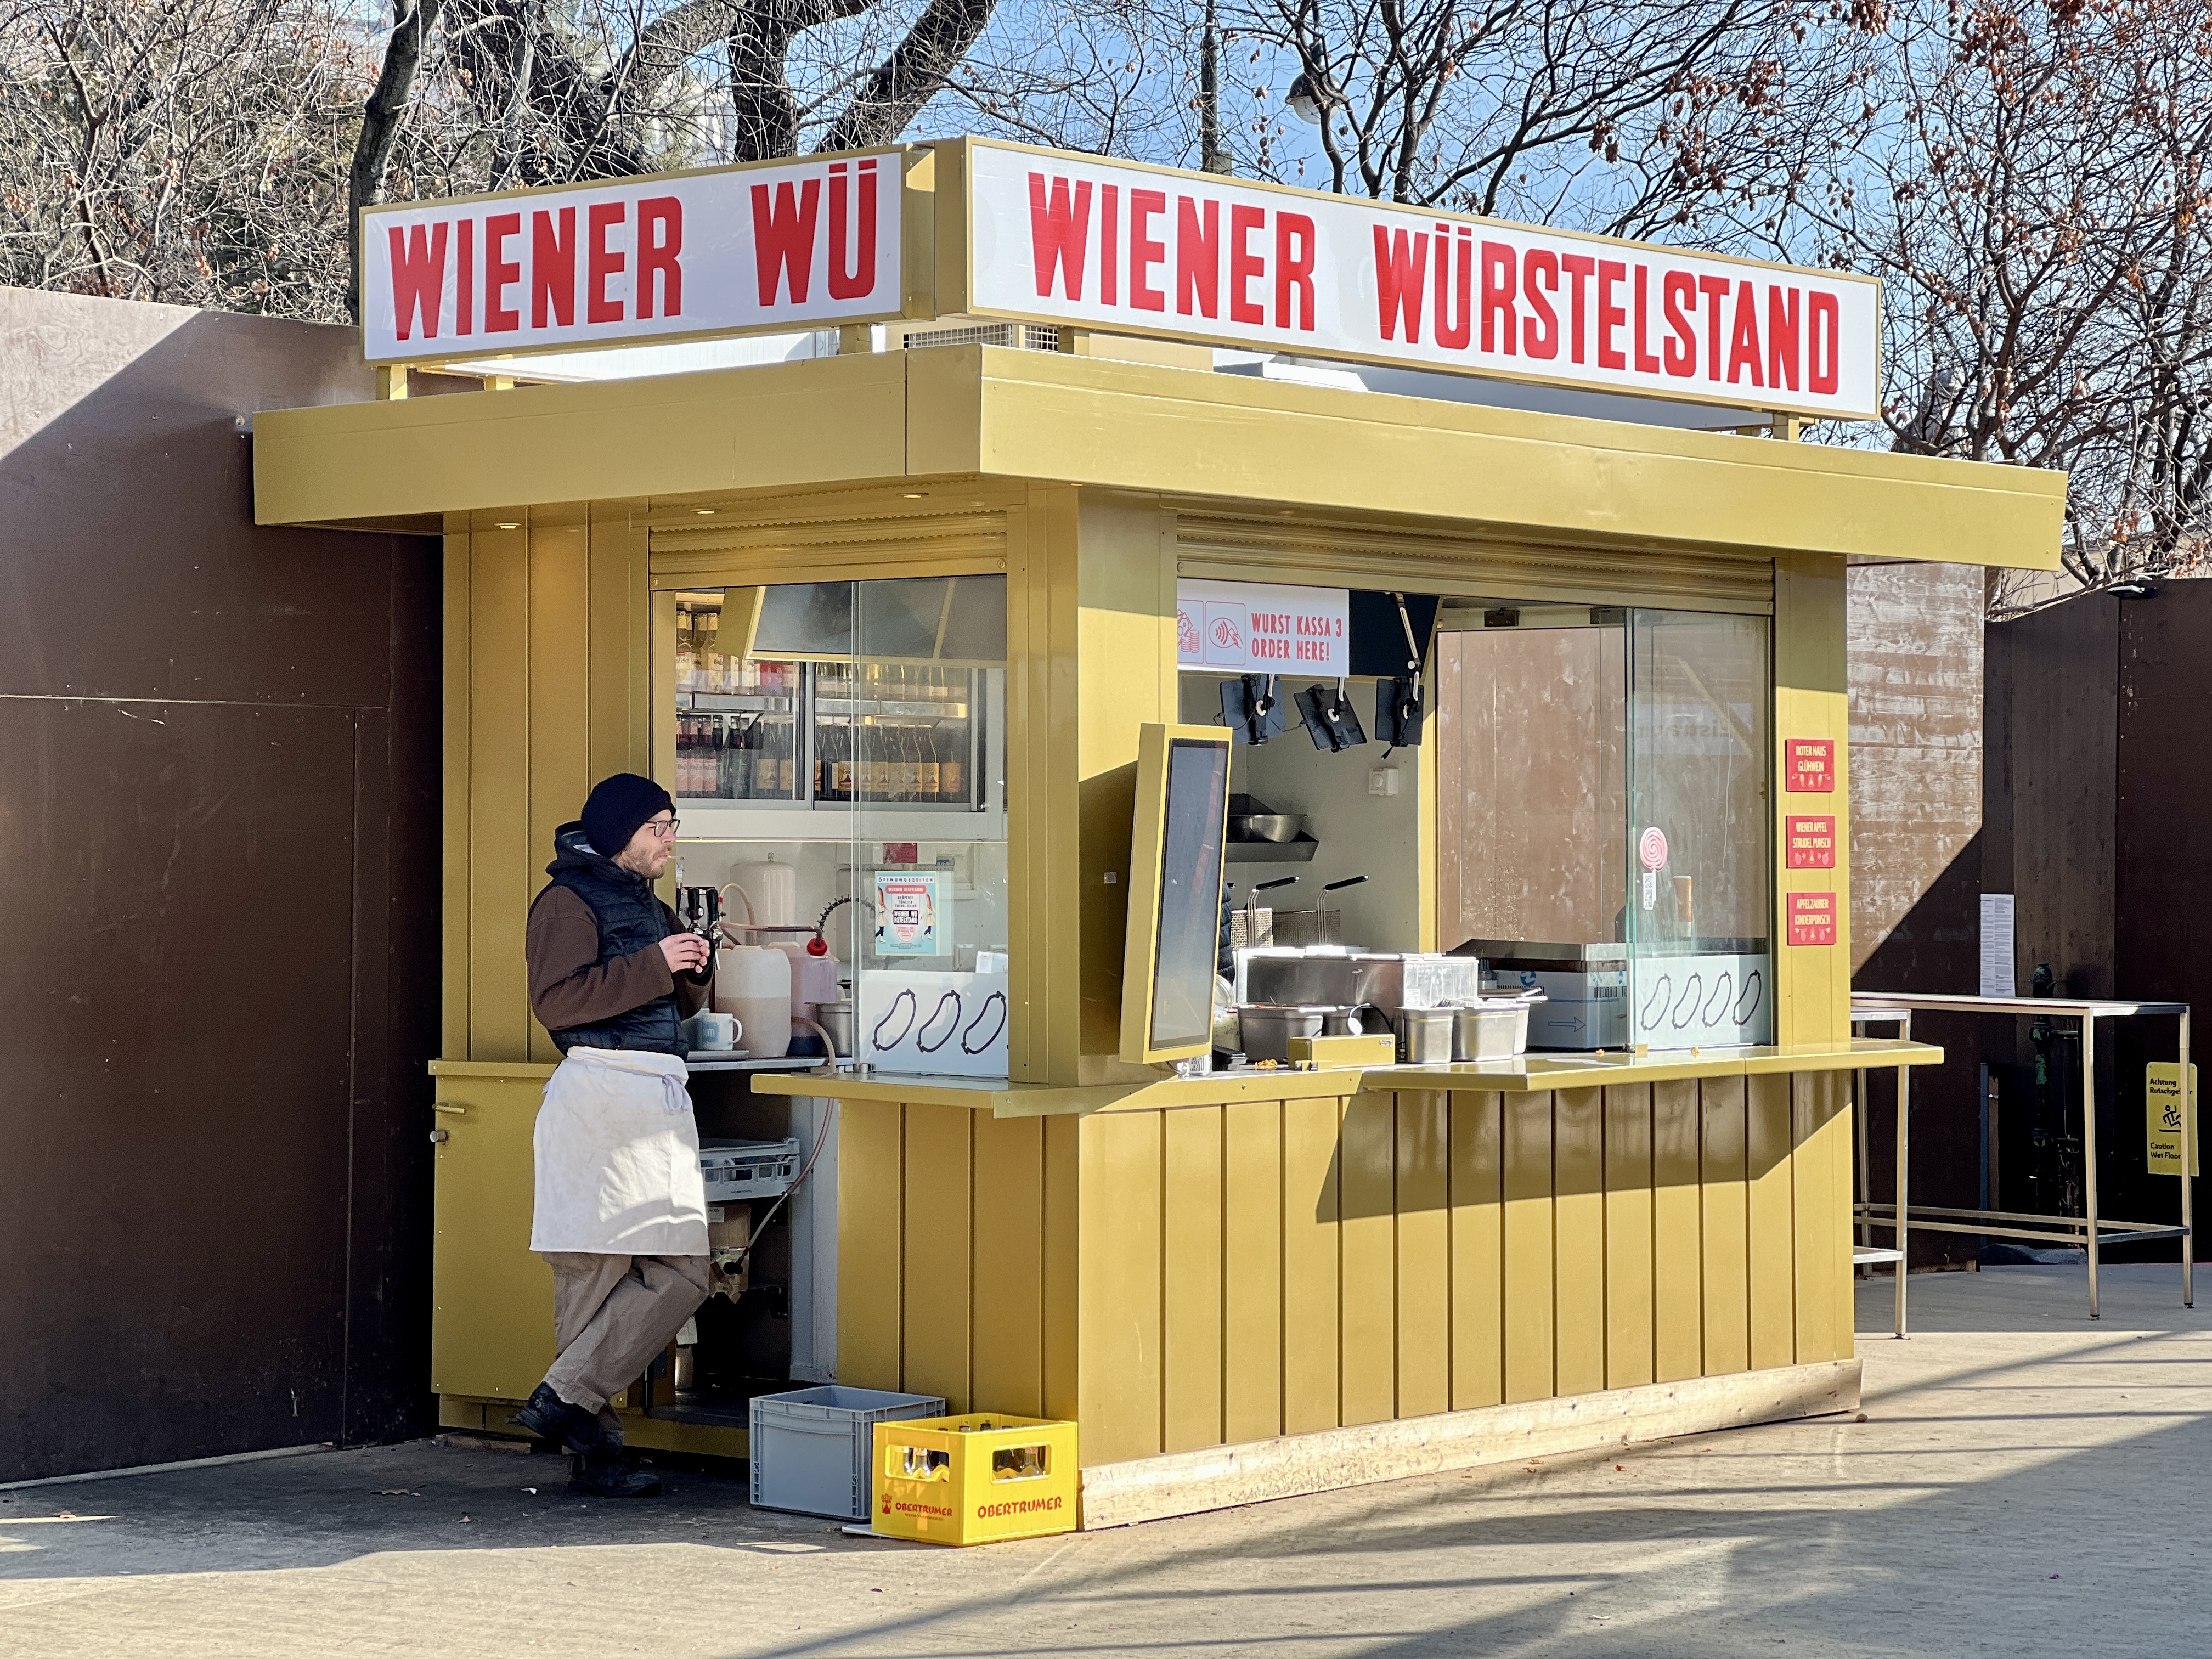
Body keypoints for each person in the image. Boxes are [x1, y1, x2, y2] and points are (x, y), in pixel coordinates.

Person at [511, 773, 714, 1498]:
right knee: (594, 1279)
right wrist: (657, 963)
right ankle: (597, 1459)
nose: (669, 839)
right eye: (658, 826)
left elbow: (669, 1003)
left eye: (672, 825)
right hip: (598, 1097)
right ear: (619, 832)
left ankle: (564, 1399)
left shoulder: (650, 904)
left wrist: (694, 968)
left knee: (684, 1271)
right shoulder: (565, 901)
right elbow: (557, 1002)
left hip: (653, 1100)